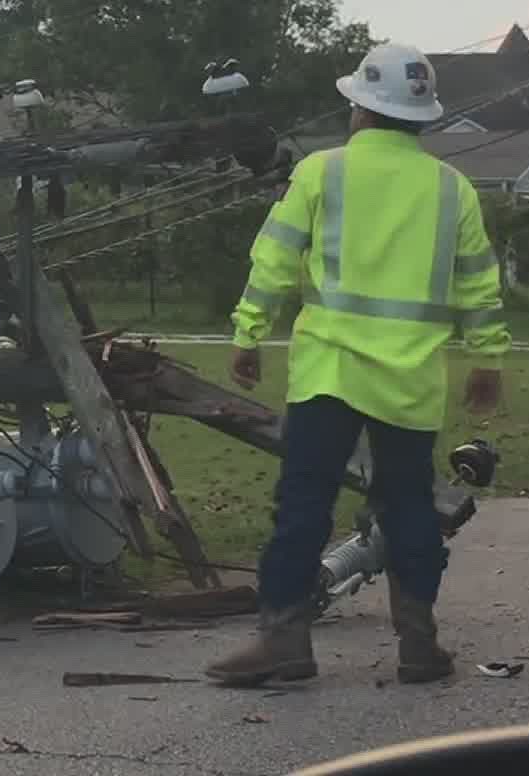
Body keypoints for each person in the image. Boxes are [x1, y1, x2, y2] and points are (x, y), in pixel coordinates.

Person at [205, 42, 509, 688]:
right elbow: (479, 282)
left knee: (303, 505)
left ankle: (283, 639)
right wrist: (487, 358)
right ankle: (419, 644)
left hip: (329, 374)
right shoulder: (452, 190)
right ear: (421, 117)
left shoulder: (322, 173)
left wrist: (247, 335)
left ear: (360, 111)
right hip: (410, 379)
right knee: (408, 506)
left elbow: (276, 260)